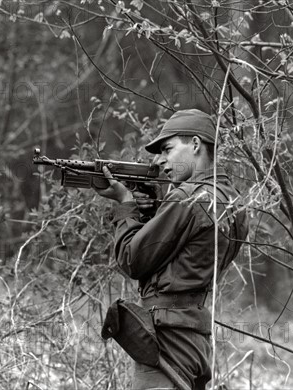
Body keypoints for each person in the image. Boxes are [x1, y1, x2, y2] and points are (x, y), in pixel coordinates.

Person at [96, 109, 249, 389]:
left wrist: (124, 203)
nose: (161, 161)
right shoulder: (233, 204)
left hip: (167, 343)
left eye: (167, 149)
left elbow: (132, 259)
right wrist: (152, 212)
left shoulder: (187, 199)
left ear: (194, 144)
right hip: (197, 339)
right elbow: (184, 257)